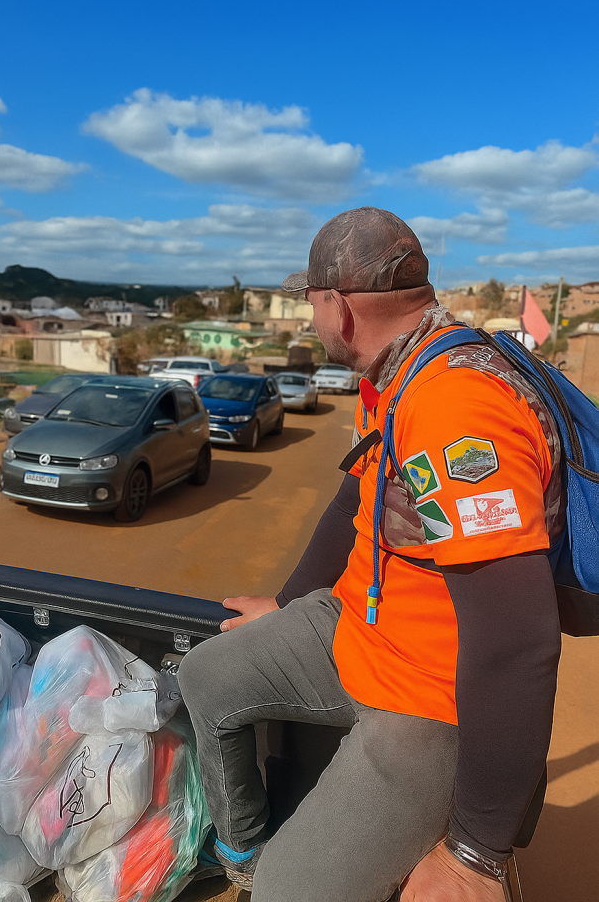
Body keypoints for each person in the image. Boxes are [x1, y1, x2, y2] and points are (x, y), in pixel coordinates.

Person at [178, 207, 562, 902]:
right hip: (359, 629)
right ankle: (242, 851)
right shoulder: (392, 372)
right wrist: (292, 602)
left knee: (285, 896)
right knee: (205, 676)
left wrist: (475, 854)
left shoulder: (455, 405)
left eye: (313, 303)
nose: (312, 320)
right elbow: (355, 502)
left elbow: (518, 642)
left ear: (342, 310)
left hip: (429, 701)